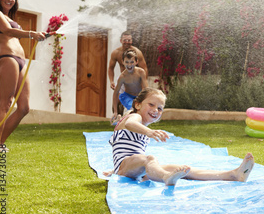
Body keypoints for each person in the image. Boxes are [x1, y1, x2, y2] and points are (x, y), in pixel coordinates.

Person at [103, 88, 255, 185]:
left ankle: (233, 175)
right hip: (127, 166)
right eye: (151, 104)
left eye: (160, 108)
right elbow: (130, 124)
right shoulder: (134, 117)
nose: (156, 110)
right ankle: (166, 177)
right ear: (137, 105)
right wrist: (149, 132)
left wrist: (115, 168)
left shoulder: (141, 124)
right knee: (150, 159)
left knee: (186, 169)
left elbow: (121, 149)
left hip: (134, 168)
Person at [0, 0, 46, 151]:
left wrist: (37, 36)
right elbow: (7, 32)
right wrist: (31, 34)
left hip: (21, 60)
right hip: (8, 58)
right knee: (5, 104)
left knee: (24, 108)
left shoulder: (11, 18)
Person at [111, 49, 148, 123]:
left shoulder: (141, 72)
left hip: (138, 96)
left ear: (136, 62)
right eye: (127, 62)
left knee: (141, 112)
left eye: (132, 62)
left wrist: (145, 101)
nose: (129, 65)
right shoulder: (122, 77)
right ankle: (122, 121)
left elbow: (146, 89)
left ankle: (124, 121)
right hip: (126, 97)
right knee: (132, 109)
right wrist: (115, 111)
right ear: (123, 62)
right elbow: (115, 93)